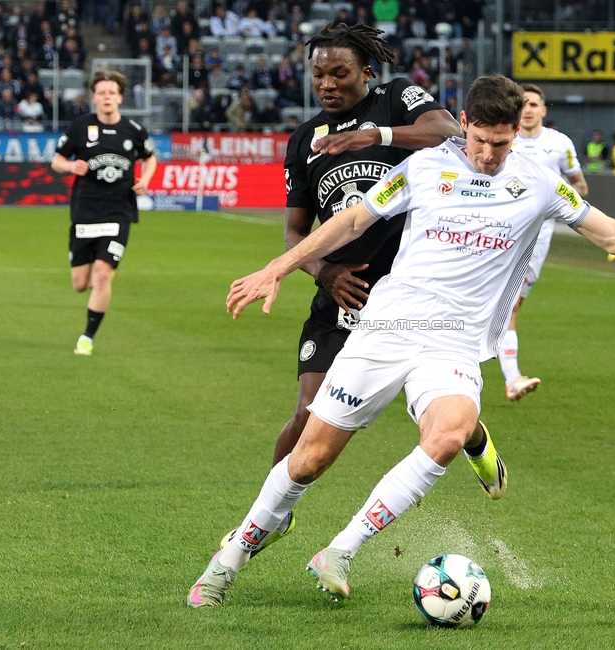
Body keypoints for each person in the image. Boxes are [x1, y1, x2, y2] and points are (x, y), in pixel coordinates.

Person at [188, 74, 615, 608]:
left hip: (454, 344)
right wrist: (278, 267)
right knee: (309, 461)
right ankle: (227, 561)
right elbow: (352, 221)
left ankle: (339, 551)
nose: (490, 155)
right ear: (465, 123)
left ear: (516, 134)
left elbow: (612, 233)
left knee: (446, 434)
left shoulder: (540, 182)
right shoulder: (424, 167)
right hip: (386, 328)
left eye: (502, 144)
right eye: (480, 141)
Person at [212, 22, 470, 556]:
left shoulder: (396, 99)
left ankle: (473, 435)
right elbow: (295, 232)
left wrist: (375, 136)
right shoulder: (304, 139)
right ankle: (270, 514)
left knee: (434, 415)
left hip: (411, 300)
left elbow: (448, 131)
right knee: (308, 412)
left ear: (367, 73)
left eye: (339, 73)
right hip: (340, 297)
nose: (327, 84)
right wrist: (324, 272)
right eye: (318, 75)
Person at [51, 70, 157, 356]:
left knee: (101, 275)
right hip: (85, 211)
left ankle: (87, 337)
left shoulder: (133, 129)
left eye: (112, 92)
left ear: (120, 97)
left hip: (119, 211)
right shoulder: (80, 127)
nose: (107, 97)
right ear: (94, 97)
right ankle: (99, 283)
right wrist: (70, 166)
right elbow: (57, 160)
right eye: (102, 93)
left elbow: (150, 158)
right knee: (80, 283)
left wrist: (146, 180)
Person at [497, 82, 589, 401]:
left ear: (543, 110)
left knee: (509, 305)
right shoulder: (504, 140)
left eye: (534, 104)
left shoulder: (559, 144)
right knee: (507, 305)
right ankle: (511, 377)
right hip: (502, 231)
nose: (528, 109)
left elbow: (580, 185)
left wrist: (558, 197)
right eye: (523, 103)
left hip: (539, 238)